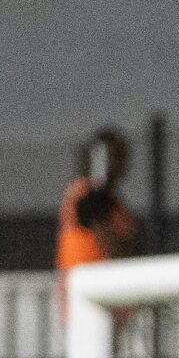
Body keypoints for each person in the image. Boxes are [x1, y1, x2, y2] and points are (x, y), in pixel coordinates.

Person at [55, 126, 141, 298]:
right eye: (115, 155)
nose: (121, 163)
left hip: (113, 300)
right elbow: (114, 247)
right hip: (86, 301)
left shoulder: (116, 205)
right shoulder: (84, 195)